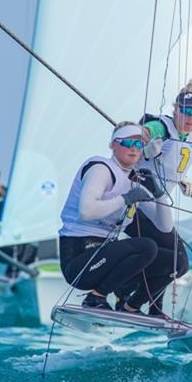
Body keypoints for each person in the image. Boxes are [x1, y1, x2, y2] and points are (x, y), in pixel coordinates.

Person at [58, 122, 180, 315]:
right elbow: (86, 211)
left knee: (176, 261)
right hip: (79, 260)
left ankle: (130, 306)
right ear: (113, 145)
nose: (133, 148)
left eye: (139, 144)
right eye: (127, 143)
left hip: (105, 258)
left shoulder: (135, 179)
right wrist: (124, 199)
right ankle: (96, 298)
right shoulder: (101, 168)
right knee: (146, 246)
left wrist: (159, 195)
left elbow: (165, 227)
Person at [128, 79, 192, 310]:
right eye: (186, 111)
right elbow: (145, 132)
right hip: (135, 207)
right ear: (176, 108)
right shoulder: (162, 127)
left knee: (171, 259)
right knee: (176, 261)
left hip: (156, 209)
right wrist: (143, 142)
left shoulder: (191, 139)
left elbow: (168, 166)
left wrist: (184, 181)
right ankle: (131, 304)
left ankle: (154, 309)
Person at [0, 166, 37, 278]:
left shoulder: (9, 192)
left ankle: (23, 274)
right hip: (2, 244)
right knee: (26, 247)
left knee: (35, 247)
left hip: (21, 237)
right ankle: (12, 275)